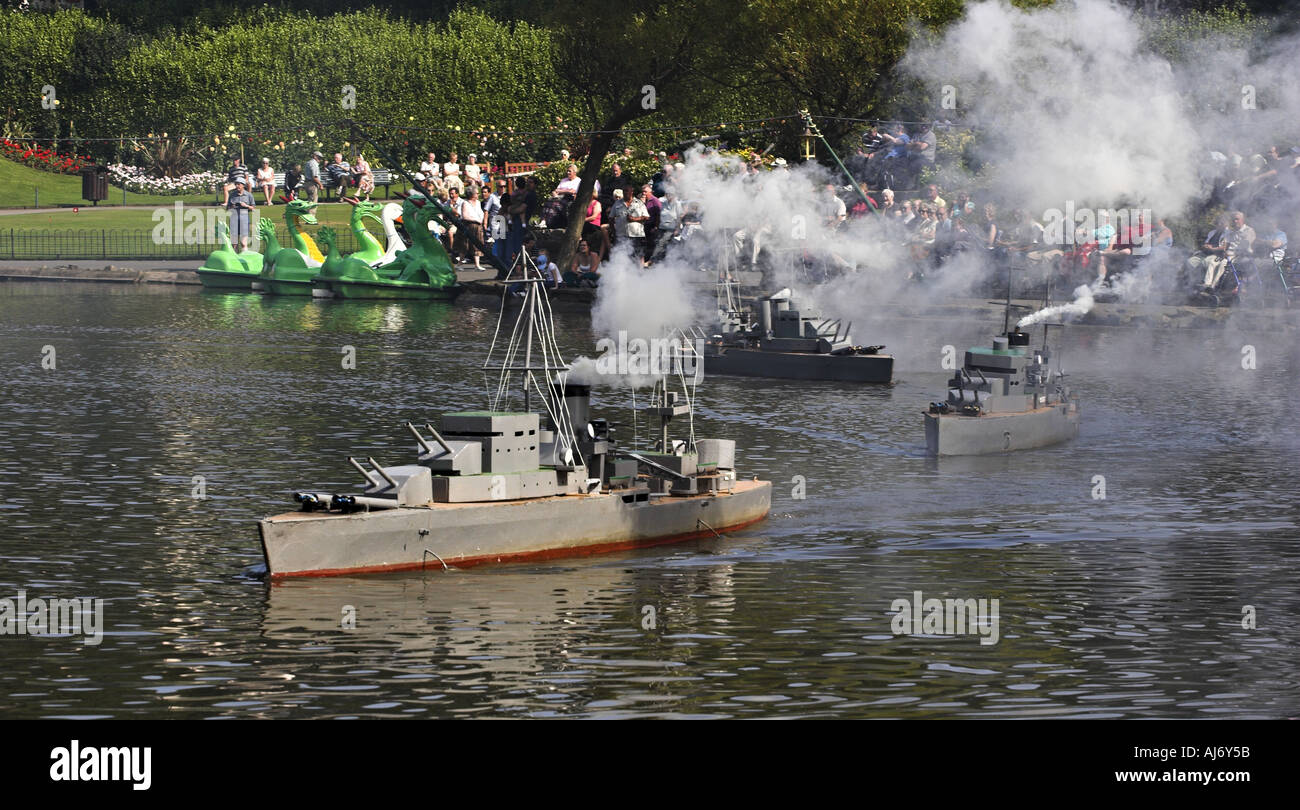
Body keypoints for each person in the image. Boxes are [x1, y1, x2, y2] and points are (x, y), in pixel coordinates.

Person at [455, 184, 485, 270]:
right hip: (468, 226)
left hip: (478, 226)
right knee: (464, 245)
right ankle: (459, 264)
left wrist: (480, 220)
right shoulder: (465, 203)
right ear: (471, 194)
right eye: (476, 193)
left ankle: (477, 265)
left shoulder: (478, 203)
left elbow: (480, 213)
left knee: (477, 245)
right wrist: (476, 220)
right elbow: (465, 216)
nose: (478, 194)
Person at [226, 179, 255, 251]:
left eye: (239, 184)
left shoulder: (248, 195)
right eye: (236, 184)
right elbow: (227, 209)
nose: (237, 186)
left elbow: (253, 208)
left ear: (243, 185)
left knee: (243, 243)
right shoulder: (232, 195)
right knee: (234, 243)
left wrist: (246, 206)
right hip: (234, 220)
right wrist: (232, 207)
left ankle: (244, 258)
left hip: (244, 220)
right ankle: (234, 259)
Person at [626, 186, 649, 265]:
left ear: (631, 192)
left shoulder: (639, 203)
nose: (625, 193)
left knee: (638, 254)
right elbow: (611, 217)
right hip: (623, 234)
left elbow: (646, 217)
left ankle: (639, 273)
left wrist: (634, 219)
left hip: (637, 234)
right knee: (626, 254)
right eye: (624, 191)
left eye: (627, 191)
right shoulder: (618, 203)